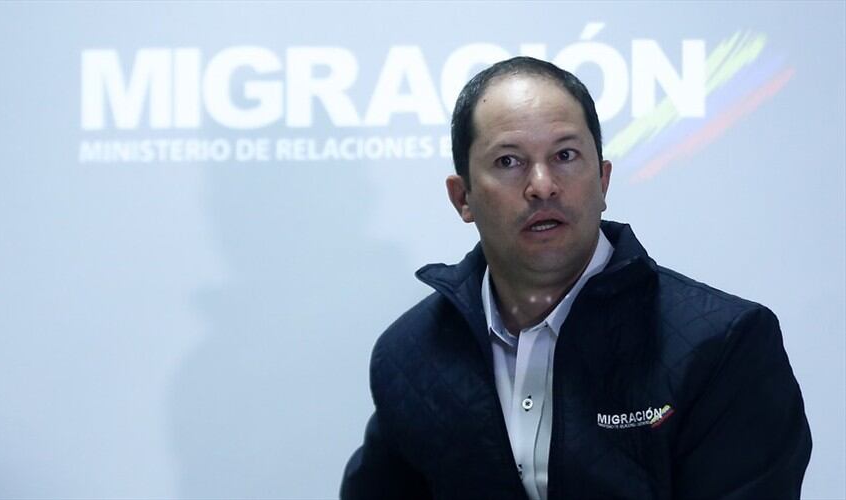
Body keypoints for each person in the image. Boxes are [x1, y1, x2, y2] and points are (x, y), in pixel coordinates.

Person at [340, 56, 811, 500]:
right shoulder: (412, 353)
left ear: (603, 181)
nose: (542, 184)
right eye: (509, 161)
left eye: (565, 155)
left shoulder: (723, 346)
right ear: (462, 197)